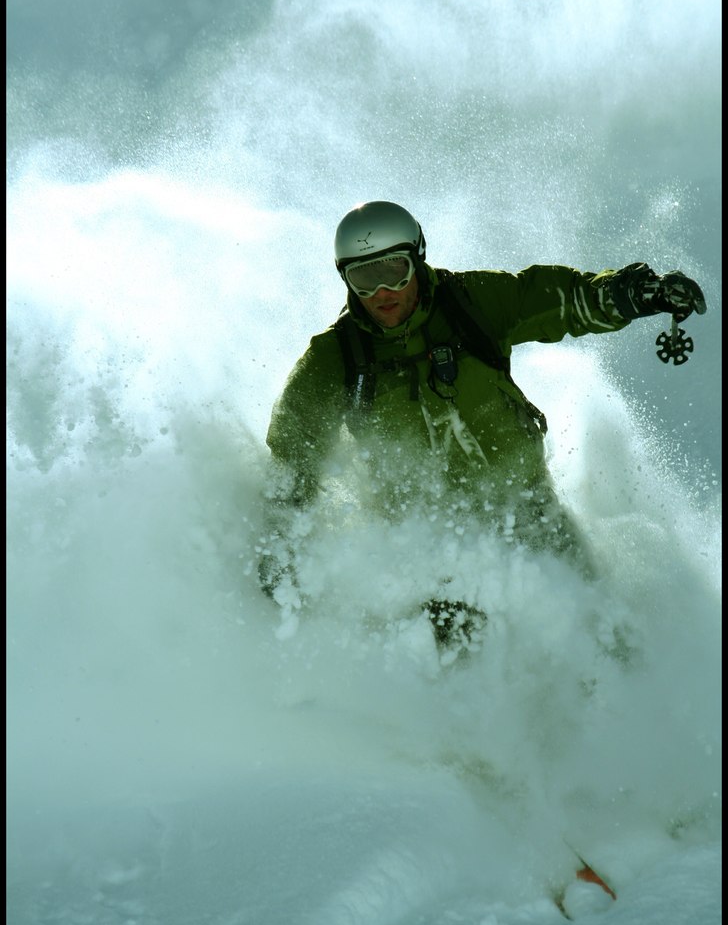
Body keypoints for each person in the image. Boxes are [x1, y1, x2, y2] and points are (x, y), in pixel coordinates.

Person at [258, 201, 706, 656]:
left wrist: (634, 293)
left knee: (597, 631)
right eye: (364, 278)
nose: (382, 292)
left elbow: (561, 299)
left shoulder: (470, 304)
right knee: (457, 656)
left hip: (526, 508)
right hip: (425, 540)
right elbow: (294, 453)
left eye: (395, 270)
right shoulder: (336, 360)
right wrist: (281, 543)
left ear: (418, 257)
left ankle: (626, 702)